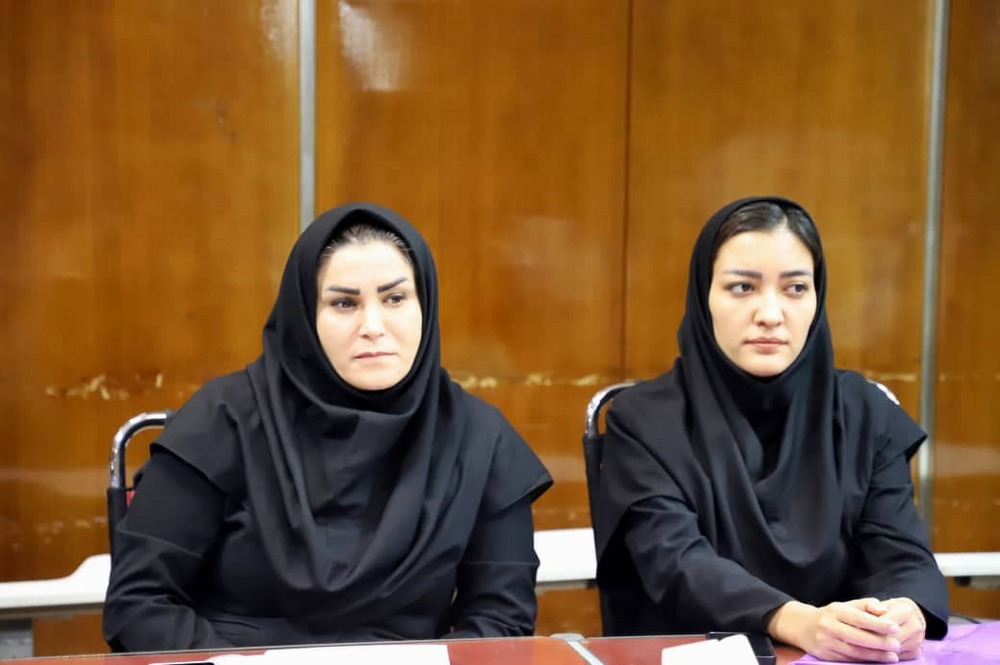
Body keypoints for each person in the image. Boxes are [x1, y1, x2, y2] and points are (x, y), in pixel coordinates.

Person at [103, 203, 552, 651]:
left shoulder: (477, 438)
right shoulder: (223, 420)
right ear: (305, 315)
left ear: (425, 304)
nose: (372, 326)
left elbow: (502, 619)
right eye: (344, 303)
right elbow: (140, 603)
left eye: (395, 299)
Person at [593, 196, 948, 662]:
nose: (771, 314)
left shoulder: (864, 413)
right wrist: (798, 622)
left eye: (795, 288)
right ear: (703, 296)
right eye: (742, 287)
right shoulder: (643, 421)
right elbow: (675, 562)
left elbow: (900, 551)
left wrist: (905, 609)